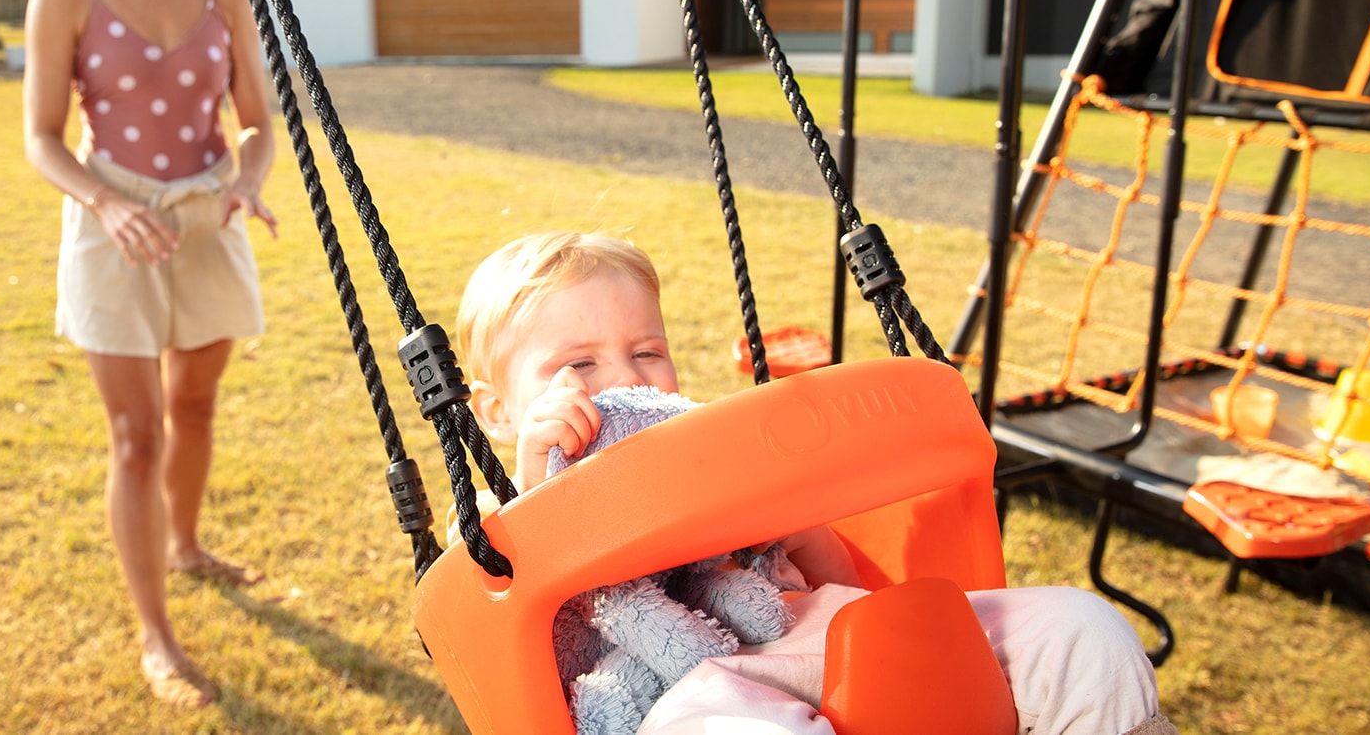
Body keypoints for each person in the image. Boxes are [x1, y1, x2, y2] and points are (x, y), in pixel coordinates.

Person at [452, 232, 1177, 735]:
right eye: (576, 367)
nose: (623, 380)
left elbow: (853, 590)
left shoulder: (706, 459)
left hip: (815, 636)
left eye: (646, 351)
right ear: (495, 409)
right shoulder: (491, 518)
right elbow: (506, 614)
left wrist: (795, 523)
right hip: (673, 691)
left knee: (1077, 626)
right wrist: (534, 478)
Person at [21, 0, 278, 709]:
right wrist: (104, 204)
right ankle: (157, 636)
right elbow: (42, 138)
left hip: (207, 212)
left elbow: (257, 122)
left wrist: (245, 184)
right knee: (135, 437)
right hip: (111, 217)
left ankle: (187, 544)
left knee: (195, 404)